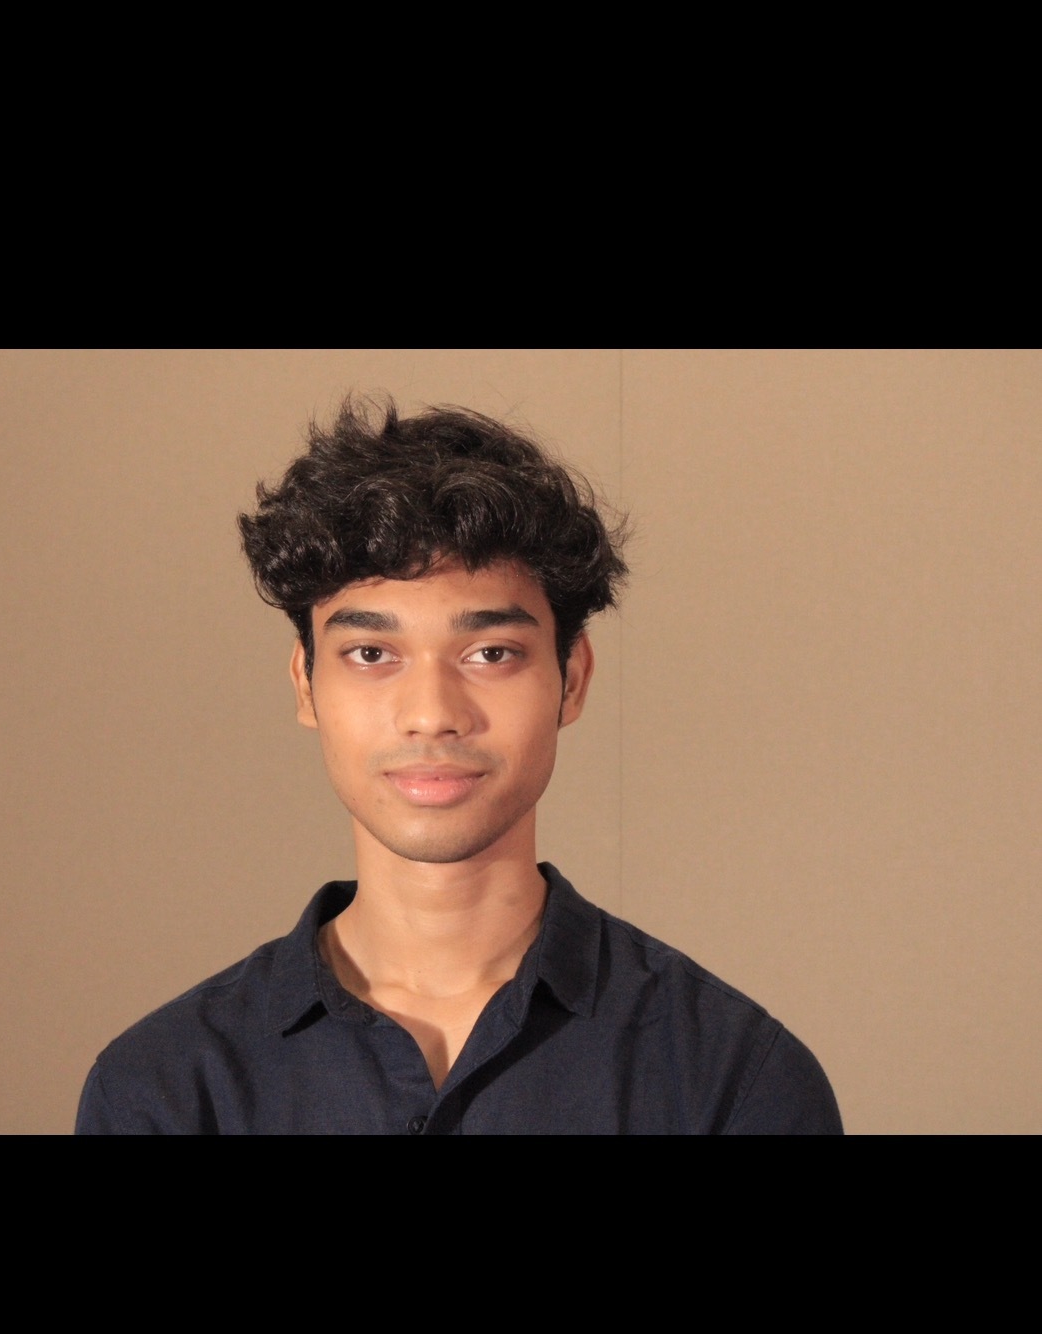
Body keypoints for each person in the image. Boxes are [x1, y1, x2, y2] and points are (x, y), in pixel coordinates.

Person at [75, 399, 843, 1134]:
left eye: (490, 654)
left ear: (571, 679)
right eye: (370, 654)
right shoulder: (165, 1086)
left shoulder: (729, 1078)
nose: (431, 712)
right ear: (306, 684)